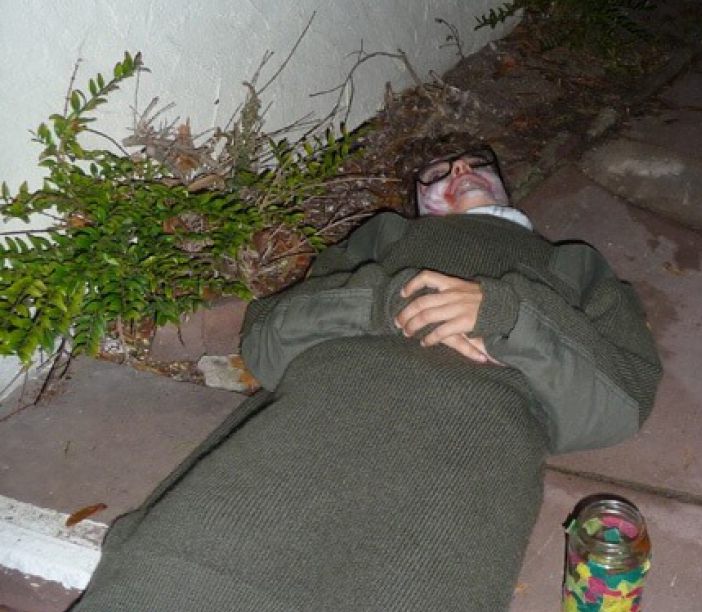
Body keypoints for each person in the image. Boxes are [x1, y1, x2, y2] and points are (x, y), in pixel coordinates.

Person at [71, 133, 662, 611]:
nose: (460, 171)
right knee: (171, 581)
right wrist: (391, 301)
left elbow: (622, 399)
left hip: (466, 458)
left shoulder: (574, 265)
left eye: (476, 162)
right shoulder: (388, 236)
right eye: (437, 172)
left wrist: (506, 316)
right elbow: (267, 339)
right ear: (418, 204)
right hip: (315, 421)